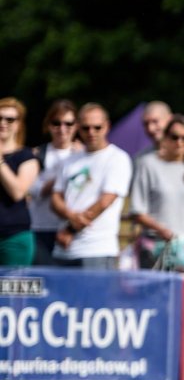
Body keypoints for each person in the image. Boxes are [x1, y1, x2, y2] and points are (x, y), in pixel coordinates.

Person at [51, 103, 132, 269]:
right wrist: (71, 216)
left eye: (97, 127)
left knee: (95, 296)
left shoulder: (117, 158)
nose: (91, 132)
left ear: (107, 126)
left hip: (97, 248)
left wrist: (70, 229)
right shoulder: (70, 159)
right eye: (86, 128)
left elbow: (105, 201)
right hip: (63, 249)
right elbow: (56, 197)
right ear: (78, 128)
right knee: (61, 296)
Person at [129, 114, 184, 272]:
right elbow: (137, 211)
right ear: (165, 137)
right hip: (155, 246)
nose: (180, 143)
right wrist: (161, 229)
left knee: (183, 296)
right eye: (175, 137)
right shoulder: (147, 164)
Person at [28, 99, 82, 265]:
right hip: (41, 227)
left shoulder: (84, 154)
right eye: (56, 123)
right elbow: (34, 191)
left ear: (76, 126)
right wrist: (63, 171)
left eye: (68, 123)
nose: (62, 129)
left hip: (72, 228)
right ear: (48, 125)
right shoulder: (39, 153)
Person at [0, 97, 40, 266]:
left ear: (18, 124)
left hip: (14, 238)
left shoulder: (26, 157)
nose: (3, 123)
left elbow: (17, 192)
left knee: (11, 292)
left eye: (10, 119)